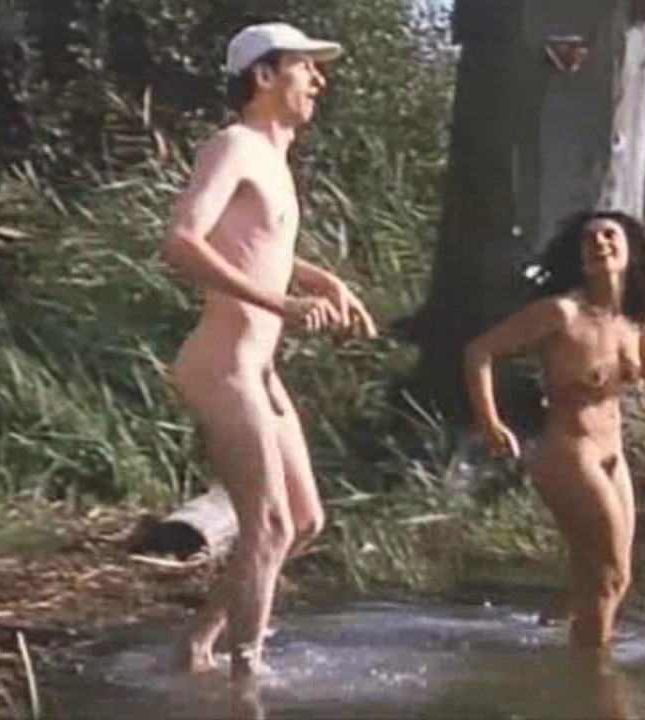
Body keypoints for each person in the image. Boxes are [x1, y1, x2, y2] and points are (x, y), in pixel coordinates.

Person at [161, 21, 377, 680]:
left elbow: (257, 246)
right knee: (271, 525)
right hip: (223, 365)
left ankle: (197, 648)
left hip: (258, 368)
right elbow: (182, 242)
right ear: (263, 75)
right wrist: (282, 304)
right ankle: (247, 683)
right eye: (305, 67)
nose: (319, 80)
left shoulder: (273, 161)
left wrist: (322, 279)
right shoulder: (234, 146)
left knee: (303, 521)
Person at [463, 209, 645, 657]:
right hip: (568, 452)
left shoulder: (633, 319)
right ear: (579, 257)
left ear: (630, 250)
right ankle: (593, 677)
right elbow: (479, 351)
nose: (600, 244)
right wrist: (490, 422)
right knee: (611, 576)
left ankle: (545, 645)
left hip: (613, 455)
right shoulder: (561, 312)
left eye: (610, 236)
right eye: (589, 240)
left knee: (595, 575)